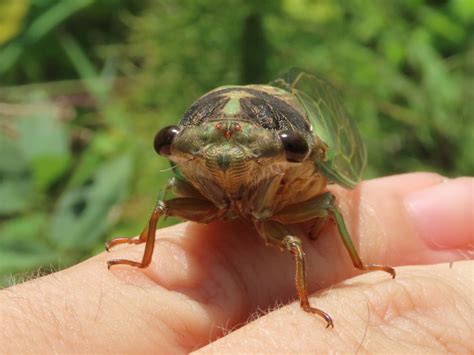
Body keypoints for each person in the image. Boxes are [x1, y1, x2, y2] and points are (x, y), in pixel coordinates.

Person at [0, 173, 472, 353]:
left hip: (282, 197)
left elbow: (326, 201)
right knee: (165, 205)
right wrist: (145, 249)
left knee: (314, 222)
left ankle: (345, 269)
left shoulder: (295, 171)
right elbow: (166, 199)